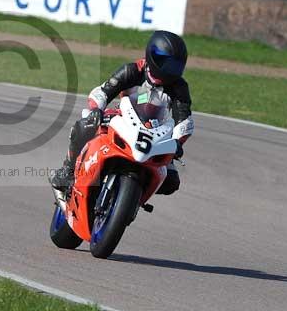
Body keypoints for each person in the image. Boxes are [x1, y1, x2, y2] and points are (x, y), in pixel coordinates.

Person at [50, 30, 194, 195]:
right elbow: (102, 92)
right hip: (122, 116)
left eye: (176, 66)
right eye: (166, 64)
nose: (171, 71)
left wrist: (177, 142)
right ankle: (67, 171)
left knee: (171, 182)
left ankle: (134, 196)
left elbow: (184, 119)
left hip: (155, 130)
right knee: (84, 125)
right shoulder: (132, 71)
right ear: (153, 56)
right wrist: (96, 109)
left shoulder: (179, 87)